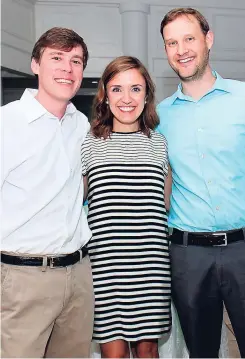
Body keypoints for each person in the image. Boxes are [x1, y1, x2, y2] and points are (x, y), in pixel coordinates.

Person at [157, 7, 245, 358]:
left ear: (208, 40)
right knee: (202, 352)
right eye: (171, 42)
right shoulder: (158, 116)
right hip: (187, 256)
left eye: (189, 38)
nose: (181, 49)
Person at [1, 27, 94, 358]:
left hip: (80, 276)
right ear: (35, 64)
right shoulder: (6, 124)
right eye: (56, 58)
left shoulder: (80, 124)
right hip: (22, 278)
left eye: (76, 61)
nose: (67, 69)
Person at [81, 55, 171, 358]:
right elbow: (72, 203)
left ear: (146, 95)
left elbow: (166, 204)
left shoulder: (159, 143)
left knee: (147, 352)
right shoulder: (88, 142)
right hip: (106, 268)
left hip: (150, 266)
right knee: (114, 354)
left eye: (135, 88)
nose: (127, 98)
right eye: (117, 89)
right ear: (105, 95)